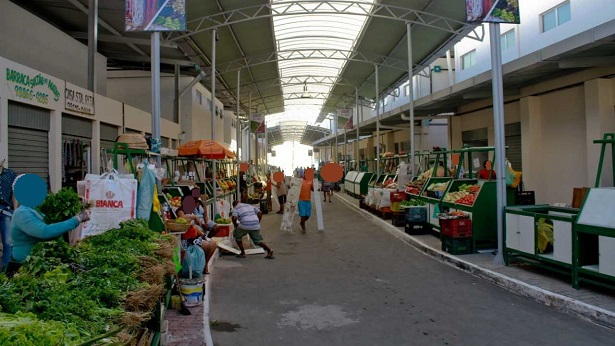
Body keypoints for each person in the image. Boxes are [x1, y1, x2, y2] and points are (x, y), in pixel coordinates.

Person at [6, 174, 91, 276]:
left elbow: (58, 217)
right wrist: (77, 219)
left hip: (44, 261)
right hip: (26, 266)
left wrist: (75, 203)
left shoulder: (40, 207)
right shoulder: (22, 213)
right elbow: (44, 232)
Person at [175, 189, 219, 274]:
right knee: (208, 246)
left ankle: (205, 264)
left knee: (214, 244)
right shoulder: (180, 211)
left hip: (196, 235)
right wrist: (195, 217)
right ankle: (203, 266)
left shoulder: (191, 211)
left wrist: (202, 234)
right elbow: (182, 218)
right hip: (189, 239)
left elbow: (195, 227)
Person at [0, 160, 17, 269]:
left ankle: (5, 270)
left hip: (6, 210)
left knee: (8, 241)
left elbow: (15, 194)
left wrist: (15, 211)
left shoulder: (11, 175)